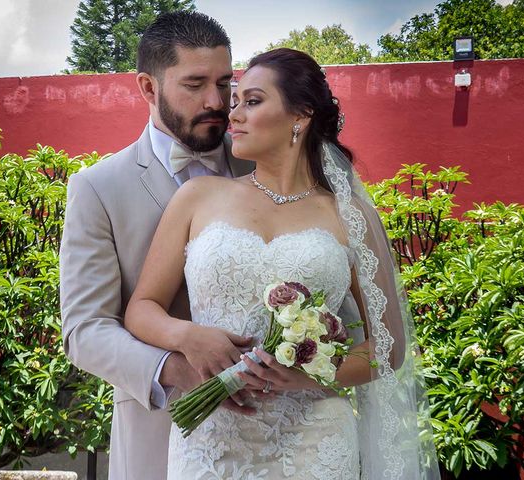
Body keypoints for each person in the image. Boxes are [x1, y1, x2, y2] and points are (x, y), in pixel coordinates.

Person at [124, 48, 440, 479]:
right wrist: (190, 337)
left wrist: (308, 375)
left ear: (301, 114)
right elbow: (141, 308)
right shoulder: (198, 198)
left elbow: (387, 348)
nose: (233, 114)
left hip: (317, 440)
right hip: (214, 439)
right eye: (235, 102)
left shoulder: (348, 215)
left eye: (252, 101)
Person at [59, 12, 258, 480]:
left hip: (276, 433)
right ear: (148, 87)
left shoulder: (264, 164)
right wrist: (177, 368)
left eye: (225, 82)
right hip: (160, 436)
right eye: (193, 84)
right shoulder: (97, 188)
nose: (215, 101)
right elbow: (84, 330)